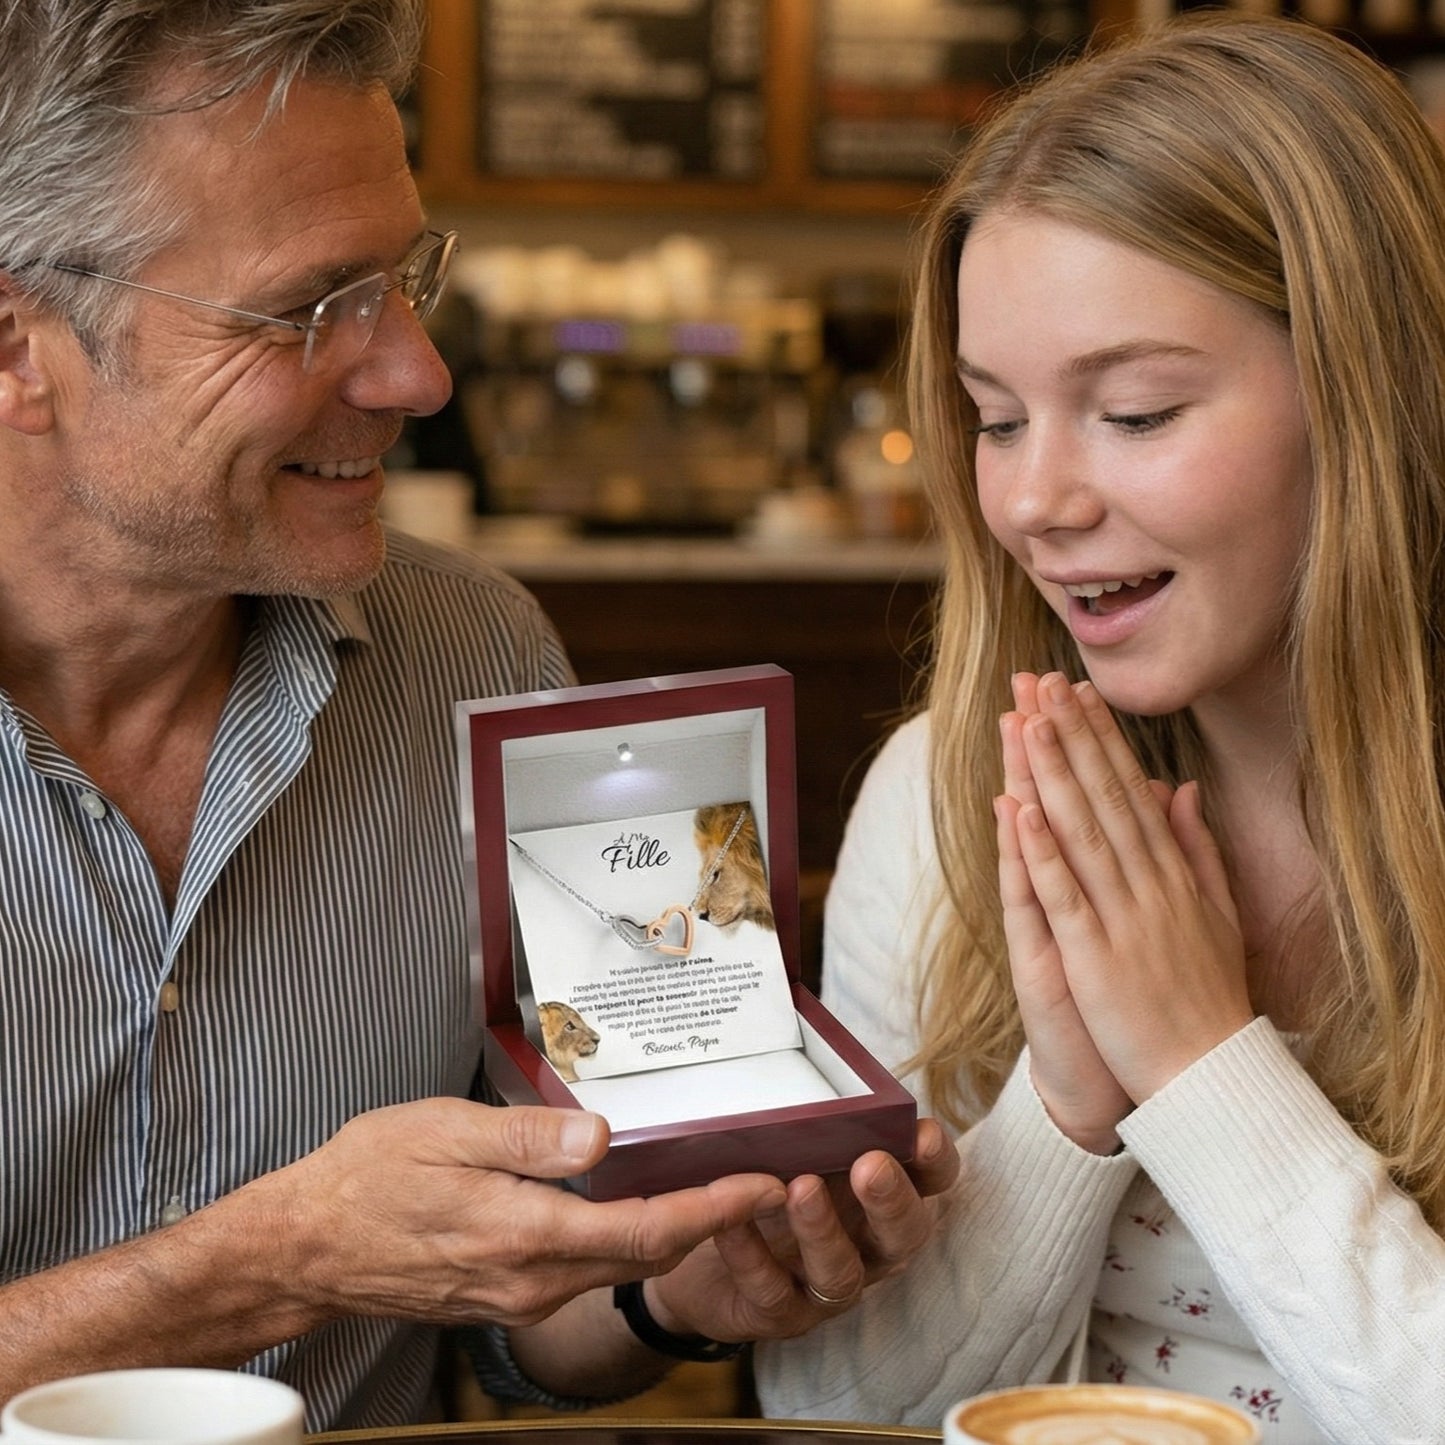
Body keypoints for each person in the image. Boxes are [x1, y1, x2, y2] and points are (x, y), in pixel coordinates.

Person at [0, 1, 956, 1429]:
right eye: (309, 307)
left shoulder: (479, 651)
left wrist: (662, 1281)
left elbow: (533, 1322)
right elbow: (323, 1259)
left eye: (403, 282)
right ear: (20, 349)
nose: (415, 376)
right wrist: (270, 1262)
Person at [755, 14, 1445, 1443]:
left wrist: (1196, 1064)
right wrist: (1062, 1112)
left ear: (1374, 398)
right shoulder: (946, 788)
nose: (1031, 504)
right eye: (994, 419)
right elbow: (833, 1408)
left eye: (1133, 412)